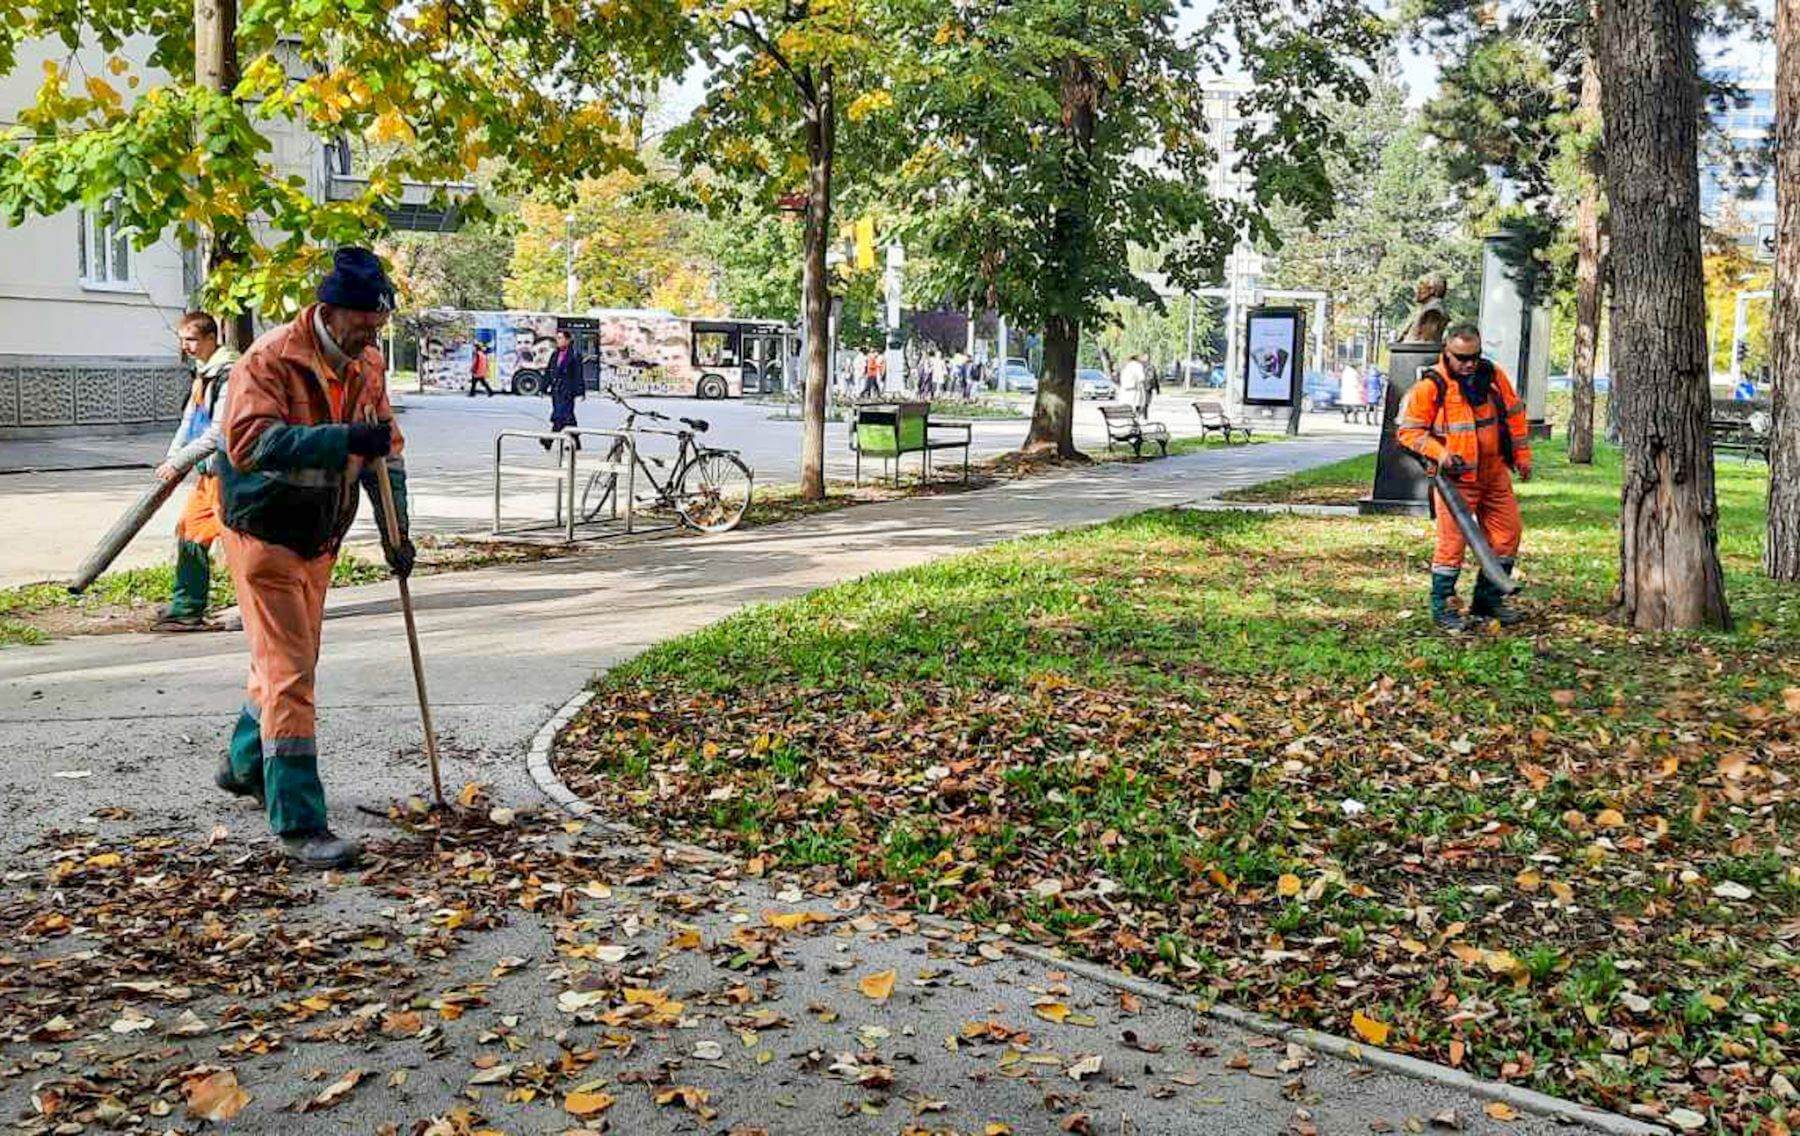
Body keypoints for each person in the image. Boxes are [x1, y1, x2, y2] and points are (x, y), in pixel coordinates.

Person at [216, 247, 413, 869]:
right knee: (292, 673)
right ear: (330, 311)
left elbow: (388, 458)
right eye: (361, 323)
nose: (368, 336)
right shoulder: (268, 359)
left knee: (286, 663)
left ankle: (243, 764)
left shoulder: (368, 365)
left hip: (319, 537)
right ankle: (300, 823)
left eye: (377, 326)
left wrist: (397, 536)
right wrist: (343, 440)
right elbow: (248, 443)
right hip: (264, 533)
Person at [1396, 323, 1533, 632]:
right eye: (1461, 357)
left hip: (1494, 472)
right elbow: (1408, 433)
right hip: (1455, 481)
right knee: (1451, 545)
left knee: (1507, 534)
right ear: (1447, 352)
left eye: (1474, 356)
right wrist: (1441, 453)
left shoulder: (1493, 376)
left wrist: (1522, 457)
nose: (1469, 364)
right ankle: (1442, 606)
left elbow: (1514, 415)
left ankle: (1487, 601)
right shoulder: (1431, 386)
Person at [153, 312, 241, 632]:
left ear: (209, 339)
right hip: (210, 474)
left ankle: (258, 608)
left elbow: (218, 434)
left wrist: (178, 463)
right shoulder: (204, 373)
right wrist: (172, 458)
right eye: (182, 340)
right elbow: (189, 422)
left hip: (234, 474)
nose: (186, 346)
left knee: (240, 546)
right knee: (190, 530)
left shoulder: (230, 373)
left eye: (191, 340)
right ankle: (186, 608)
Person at [541, 329, 584, 450]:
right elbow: (549, 372)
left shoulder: (574, 355)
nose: (558, 341)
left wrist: (580, 391)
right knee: (568, 418)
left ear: (568, 340)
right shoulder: (555, 354)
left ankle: (549, 440)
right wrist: (544, 387)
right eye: (557, 338)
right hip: (556, 390)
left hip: (567, 391)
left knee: (560, 416)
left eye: (560, 338)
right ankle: (576, 442)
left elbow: (578, 374)